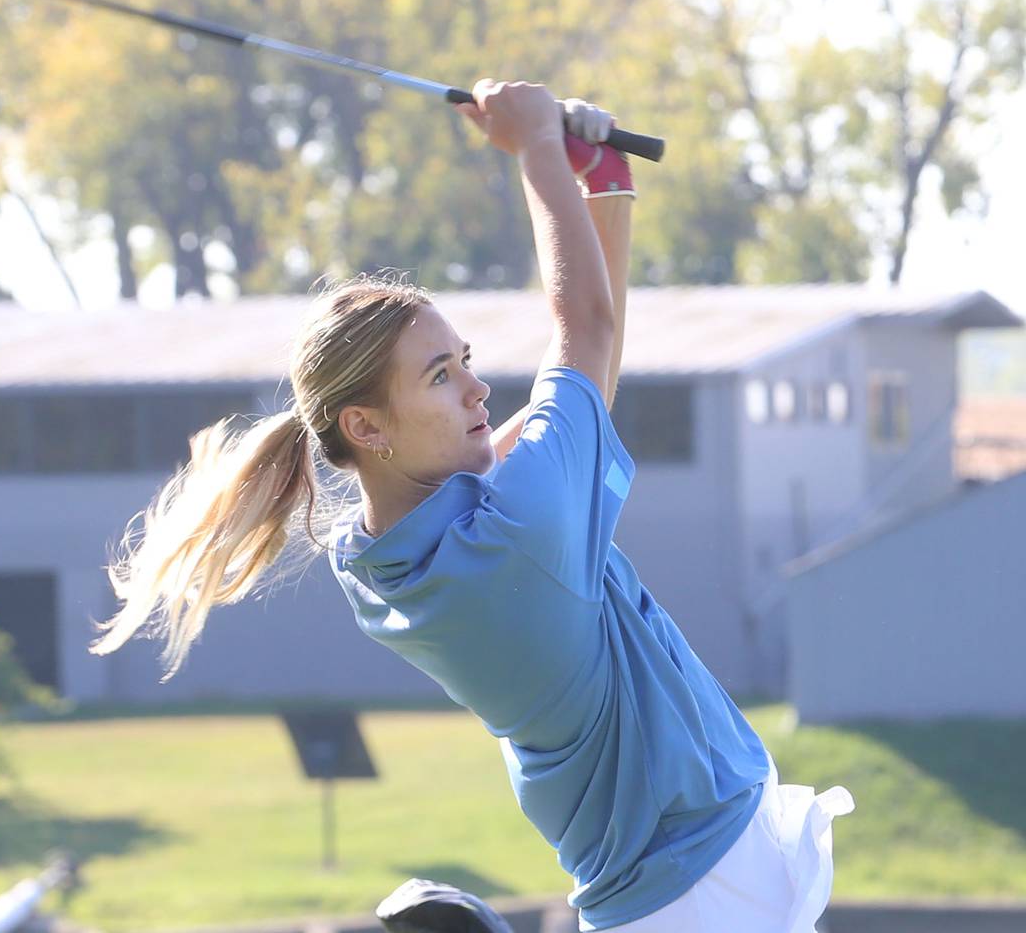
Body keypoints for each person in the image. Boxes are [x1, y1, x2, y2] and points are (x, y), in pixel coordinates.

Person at [90, 79, 854, 931]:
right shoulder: (513, 535)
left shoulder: (384, 548)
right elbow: (587, 335)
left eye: (465, 358)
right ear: (365, 426)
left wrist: (597, 178)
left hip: (692, 878)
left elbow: (587, 373)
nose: (478, 386)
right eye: (440, 375)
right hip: (702, 892)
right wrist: (535, 153)